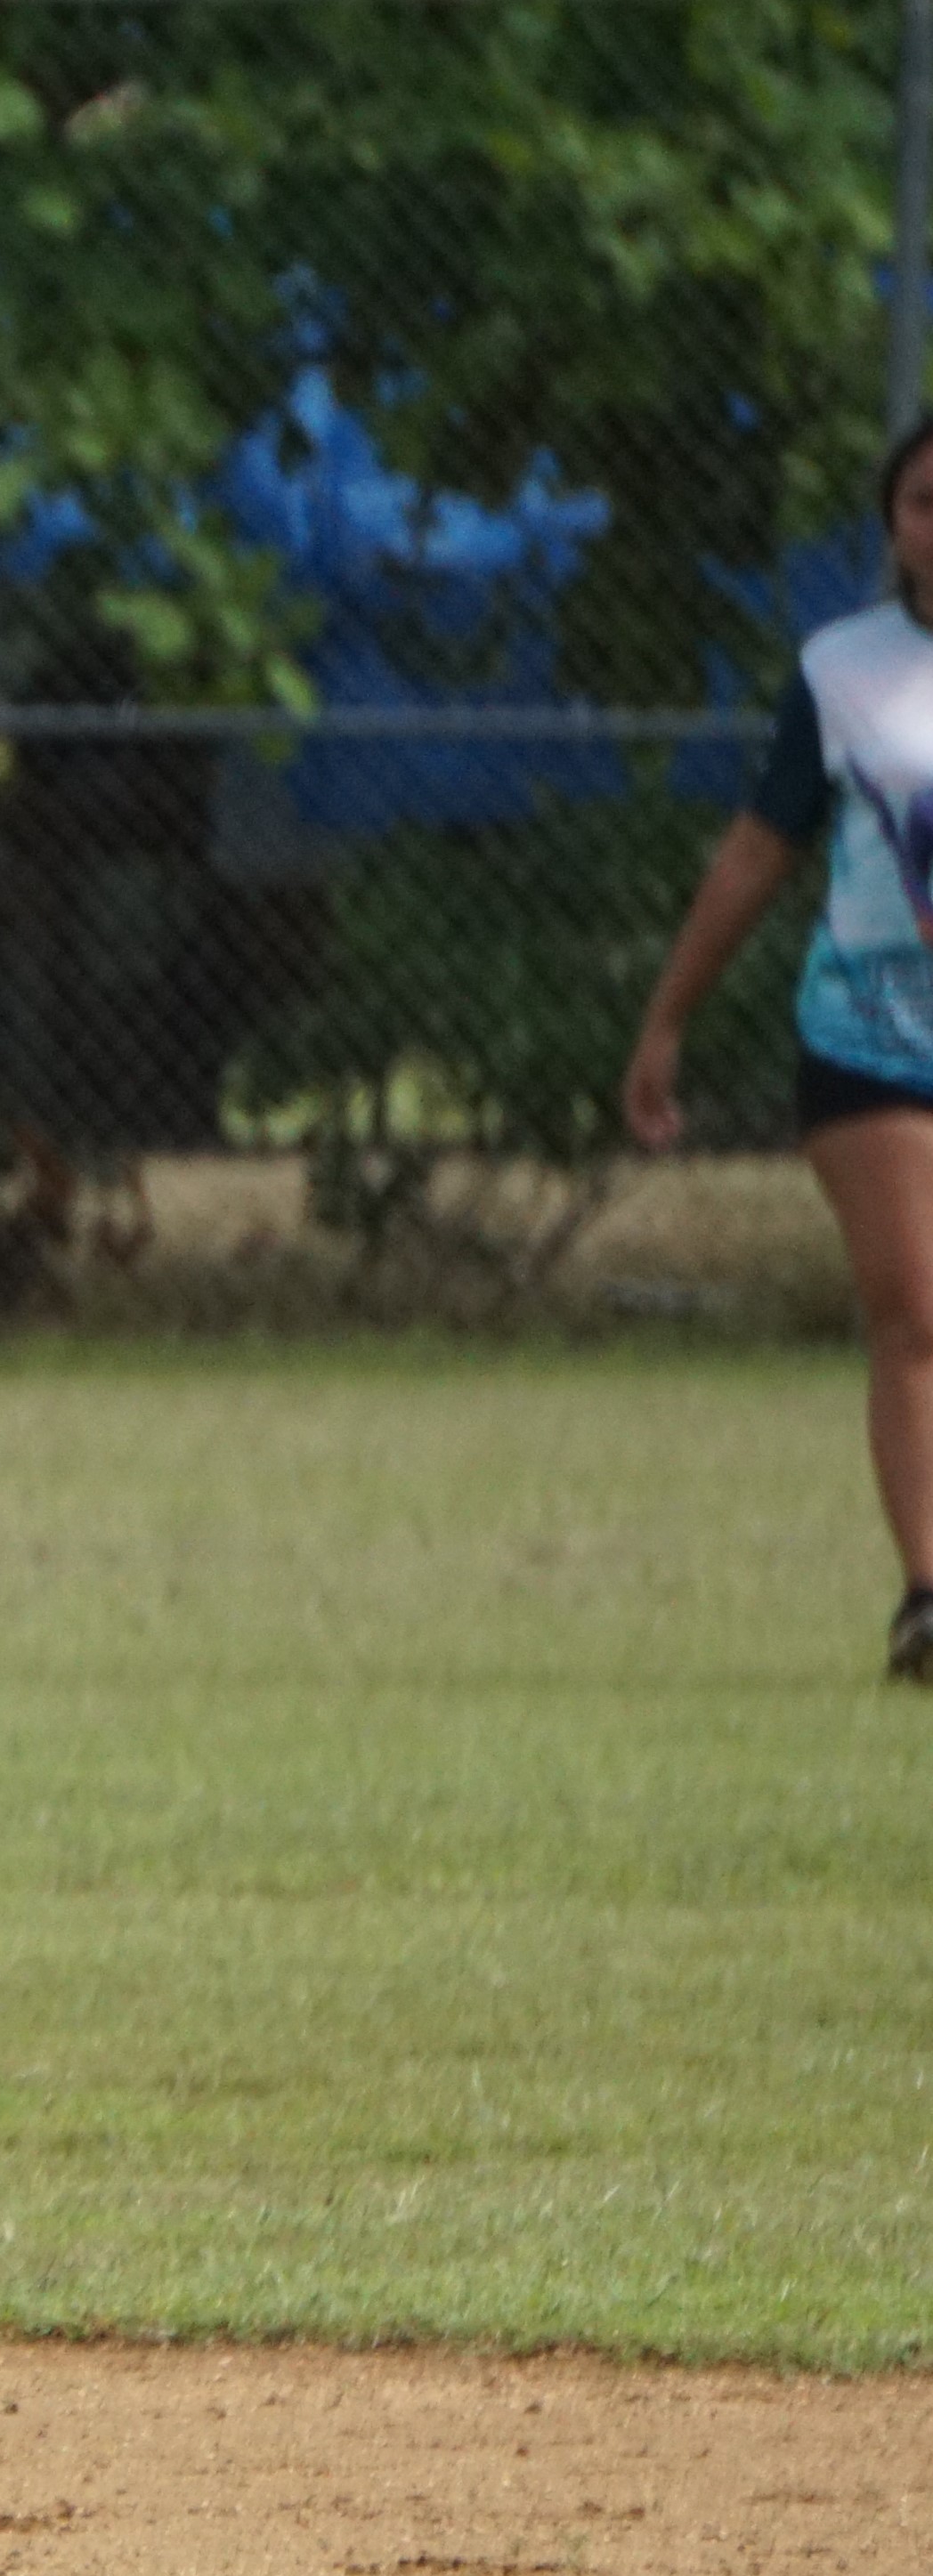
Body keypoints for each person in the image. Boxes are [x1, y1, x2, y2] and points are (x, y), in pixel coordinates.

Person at [626, 413, 933, 1687]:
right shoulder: (843, 669)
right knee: (918, 1311)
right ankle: (930, 1599)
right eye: (924, 501)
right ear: (893, 525)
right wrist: (667, 1019)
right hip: (872, 1036)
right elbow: (762, 850)